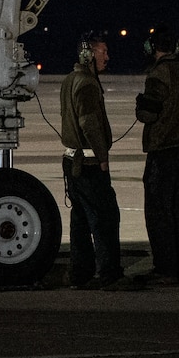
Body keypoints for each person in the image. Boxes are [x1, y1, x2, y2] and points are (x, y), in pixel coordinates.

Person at [60, 32, 130, 290]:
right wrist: (103, 157)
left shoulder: (70, 80)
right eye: (103, 52)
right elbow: (88, 122)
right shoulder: (87, 83)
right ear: (88, 54)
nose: (107, 57)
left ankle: (80, 273)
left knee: (80, 220)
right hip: (88, 164)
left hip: (71, 162)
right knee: (105, 218)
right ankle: (110, 274)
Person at [134, 26, 179, 286]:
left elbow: (148, 114)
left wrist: (141, 107)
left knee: (159, 212)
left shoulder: (158, 75)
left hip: (163, 151)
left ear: (152, 48)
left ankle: (166, 268)